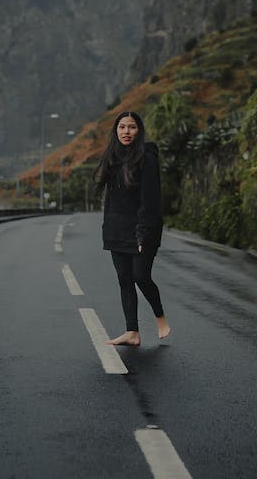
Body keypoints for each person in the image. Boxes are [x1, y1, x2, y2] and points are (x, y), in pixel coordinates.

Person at [93, 109, 170, 346]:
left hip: (142, 228)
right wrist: (108, 228)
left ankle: (160, 317)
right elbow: (111, 198)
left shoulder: (146, 158)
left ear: (139, 130)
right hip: (117, 229)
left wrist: (143, 233)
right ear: (116, 131)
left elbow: (151, 200)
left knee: (140, 276)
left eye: (132, 127)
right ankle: (132, 332)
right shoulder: (112, 157)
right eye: (122, 127)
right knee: (124, 279)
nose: (126, 131)